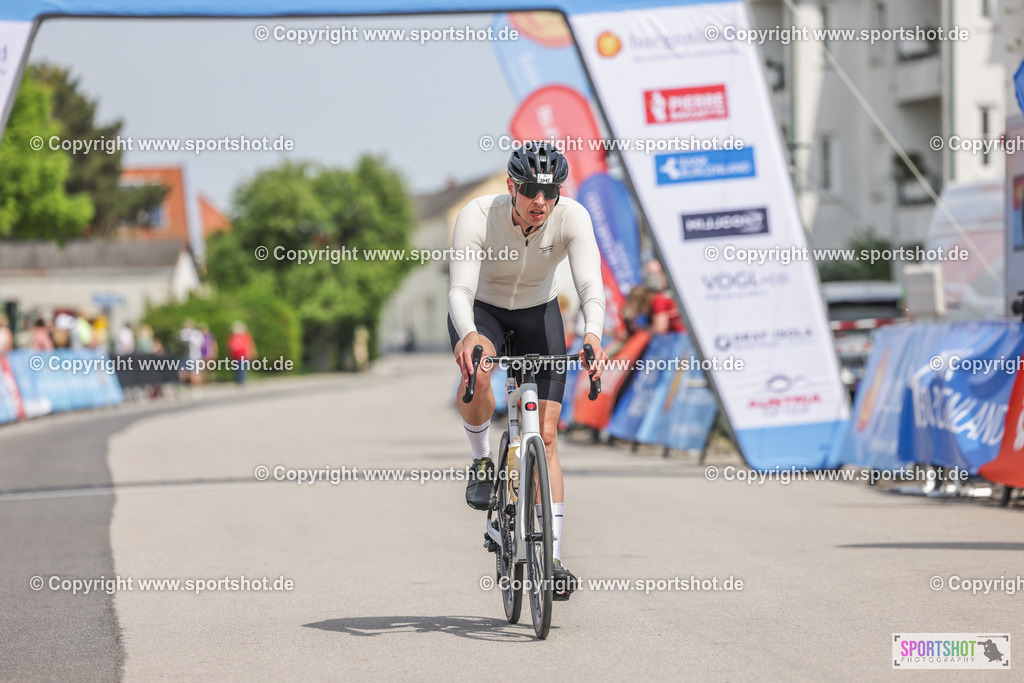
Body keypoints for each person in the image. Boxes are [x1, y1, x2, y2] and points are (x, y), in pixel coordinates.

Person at [448, 141, 609, 600]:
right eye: (531, 190)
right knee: (480, 374)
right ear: (511, 186)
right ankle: (481, 459)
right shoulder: (478, 215)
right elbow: (459, 289)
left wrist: (593, 334)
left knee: (550, 435)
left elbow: (590, 283)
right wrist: (469, 336)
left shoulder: (571, 216)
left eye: (550, 191)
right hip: (483, 310)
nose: (541, 201)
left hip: (539, 310)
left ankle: (552, 558)